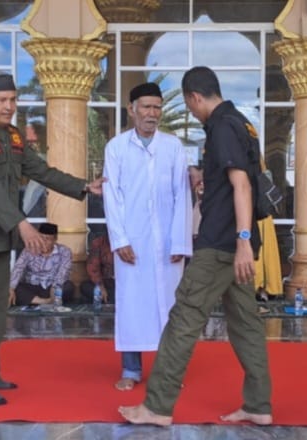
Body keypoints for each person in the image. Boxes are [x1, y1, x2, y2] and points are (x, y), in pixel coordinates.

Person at [119, 67, 272, 426]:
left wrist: (243, 242)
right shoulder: (242, 123)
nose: (190, 112)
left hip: (222, 245)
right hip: (234, 245)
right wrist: (207, 176)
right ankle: (259, 405)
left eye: (189, 106)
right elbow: (239, 177)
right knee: (246, 324)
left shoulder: (222, 127)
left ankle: (156, 407)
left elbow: (243, 187)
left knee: (183, 319)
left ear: (194, 98)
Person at [0, 72, 104, 406]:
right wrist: (23, 224)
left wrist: (82, 187)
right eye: (2, 100)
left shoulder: (12, 137)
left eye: (13, 100)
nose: (9, 107)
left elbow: (41, 170)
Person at [103, 82, 193, 392]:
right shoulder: (116, 147)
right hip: (133, 242)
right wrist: (119, 240)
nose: (152, 113)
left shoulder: (172, 147)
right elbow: (111, 196)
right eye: (146, 107)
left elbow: (183, 195)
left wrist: (181, 240)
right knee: (132, 304)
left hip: (168, 243)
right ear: (132, 109)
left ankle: (169, 371)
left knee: (171, 307)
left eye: (157, 107)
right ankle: (130, 369)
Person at [8, 222, 75, 306]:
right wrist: (11, 288)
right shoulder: (29, 249)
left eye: (48, 239)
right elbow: (18, 268)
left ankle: (36, 300)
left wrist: (54, 289)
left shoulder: (64, 251)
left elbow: (63, 273)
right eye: (41, 238)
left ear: (55, 240)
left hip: (52, 288)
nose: (44, 242)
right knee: (13, 287)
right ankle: (46, 302)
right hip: (32, 287)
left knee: (68, 287)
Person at [79, 228, 115, 304]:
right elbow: (93, 267)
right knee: (85, 287)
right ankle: (108, 298)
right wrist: (100, 286)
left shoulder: (131, 243)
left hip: (126, 283)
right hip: (106, 282)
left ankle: (109, 299)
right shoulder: (99, 242)